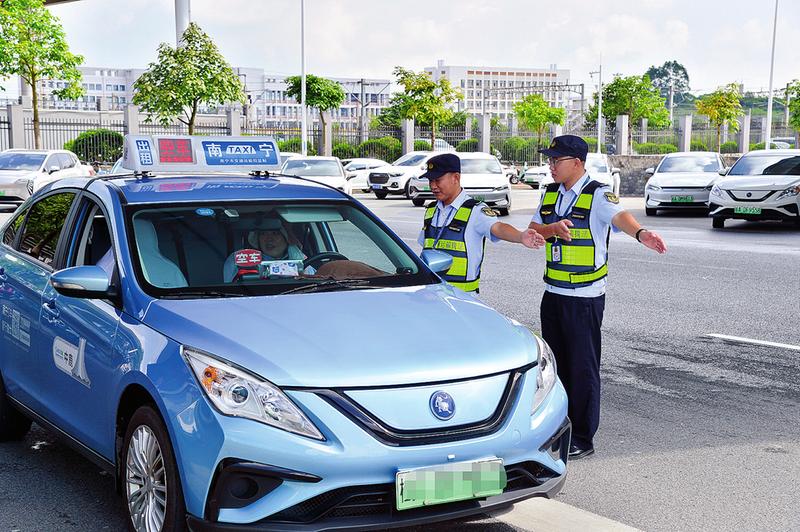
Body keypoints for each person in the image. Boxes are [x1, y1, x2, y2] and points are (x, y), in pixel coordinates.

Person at [529, 135, 667, 460]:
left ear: (577, 163)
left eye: (556, 160)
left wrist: (642, 234)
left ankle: (582, 436)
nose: (551, 166)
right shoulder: (550, 193)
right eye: (550, 160)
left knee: (582, 368)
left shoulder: (598, 194)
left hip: (584, 298)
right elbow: (534, 228)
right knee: (556, 368)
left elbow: (621, 217)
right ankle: (557, 429)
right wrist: (552, 229)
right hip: (553, 294)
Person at [417, 153, 545, 293]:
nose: (433, 186)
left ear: (456, 178)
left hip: (463, 298)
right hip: (433, 295)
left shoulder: (475, 210)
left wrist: (520, 236)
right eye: (430, 181)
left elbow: (498, 228)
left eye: (438, 180)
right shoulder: (431, 210)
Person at [223, 218, 305, 282]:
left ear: (286, 239)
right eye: (263, 234)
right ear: (258, 240)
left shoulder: (302, 261)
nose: (269, 239)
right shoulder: (239, 259)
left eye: (275, 233)